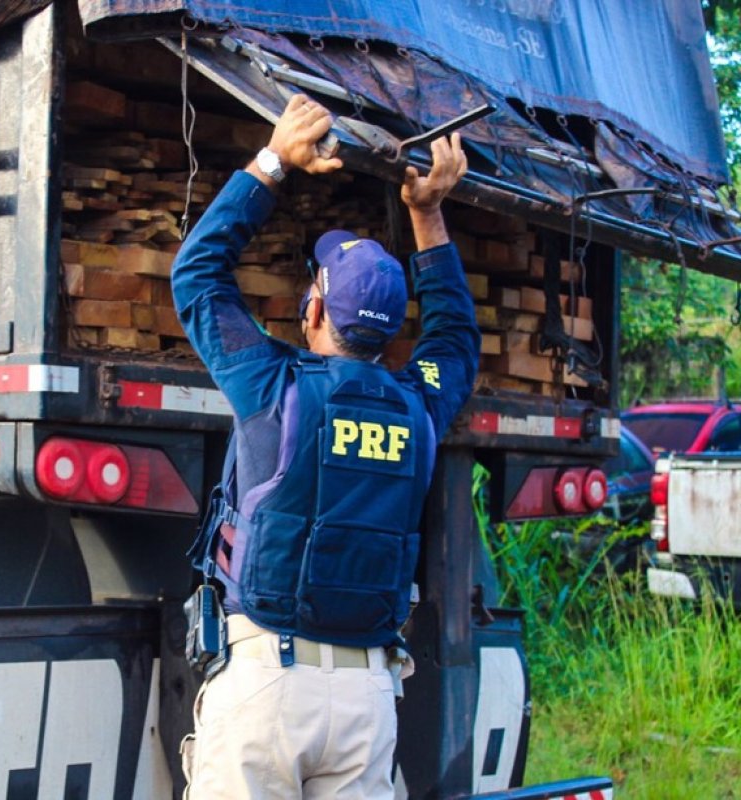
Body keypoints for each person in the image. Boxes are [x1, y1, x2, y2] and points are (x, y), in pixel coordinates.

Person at [171, 93, 480, 799]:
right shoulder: (421, 407)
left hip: (266, 687)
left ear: (312, 309)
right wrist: (427, 213)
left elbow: (195, 276)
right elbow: (456, 340)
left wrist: (275, 159)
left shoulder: (272, 386)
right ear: (390, 334)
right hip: (368, 701)